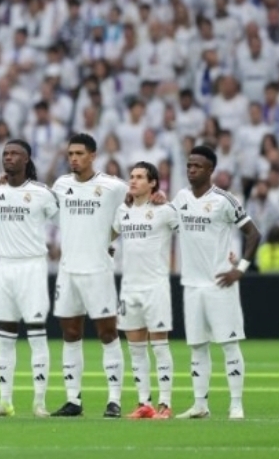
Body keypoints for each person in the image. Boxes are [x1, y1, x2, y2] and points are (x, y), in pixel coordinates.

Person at [0, 140, 59, 418]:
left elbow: (65, 223)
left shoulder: (41, 193)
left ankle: (39, 403)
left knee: (36, 332)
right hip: (5, 266)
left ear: (27, 159)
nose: (8, 157)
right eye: (5, 153)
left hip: (32, 266)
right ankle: (4, 402)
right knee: (5, 334)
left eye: (15, 153)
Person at [172, 146, 260, 420]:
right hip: (191, 284)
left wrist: (240, 269)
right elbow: (168, 222)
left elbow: (253, 234)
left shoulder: (224, 199)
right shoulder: (181, 197)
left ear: (210, 170)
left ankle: (236, 404)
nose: (191, 170)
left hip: (220, 283)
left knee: (229, 344)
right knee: (197, 346)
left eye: (197, 166)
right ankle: (200, 404)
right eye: (189, 165)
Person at [50, 133, 128, 418]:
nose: (74, 158)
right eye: (70, 154)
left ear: (93, 156)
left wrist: (106, 239)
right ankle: (73, 400)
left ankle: (114, 400)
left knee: (108, 333)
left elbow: (134, 207)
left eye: (79, 153)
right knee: (70, 333)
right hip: (68, 271)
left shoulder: (113, 187)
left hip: (98, 271)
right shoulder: (61, 185)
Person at [111, 162, 178, 419]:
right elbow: (108, 236)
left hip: (155, 286)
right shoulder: (123, 211)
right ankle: (144, 403)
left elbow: (191, 233)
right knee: (136, 349)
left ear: (153, 183)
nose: (133, 180)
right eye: (132, 176)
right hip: (129, 288)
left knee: (160, 346)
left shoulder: (165, 210)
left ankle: (165, 404)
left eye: (140, 177)